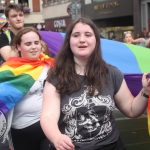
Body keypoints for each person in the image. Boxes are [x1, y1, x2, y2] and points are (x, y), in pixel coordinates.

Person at [40, 17, 150, 150]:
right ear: (69, 41)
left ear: (96, 41)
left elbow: (132, 110)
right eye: (76, 35)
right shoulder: (56, 76)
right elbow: (48, 116)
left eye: (88, 35)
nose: (82, 40)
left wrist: (145, 91)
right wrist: (56, 137)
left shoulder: (112, 73)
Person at [0, 27, 54, 150]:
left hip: (49, 128)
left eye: (36, 42)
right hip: (21, 131)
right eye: (28, 44)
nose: (34, 47)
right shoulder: (9, 70)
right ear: (18, 47)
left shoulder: (51, 65)